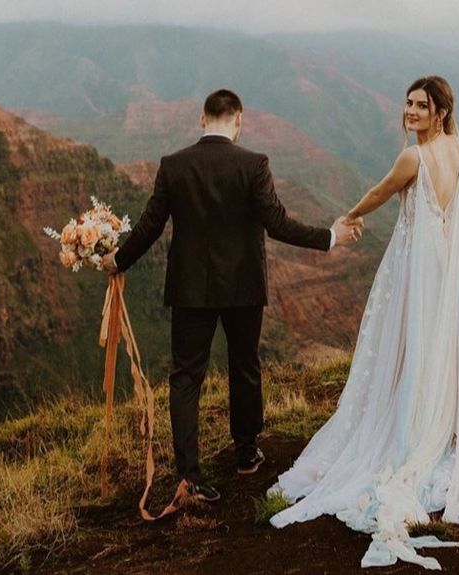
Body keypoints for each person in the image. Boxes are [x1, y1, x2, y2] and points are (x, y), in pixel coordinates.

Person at [267, 76, 459, 570]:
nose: (410, 111)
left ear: (440, 113)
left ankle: (411, 430)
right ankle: (436, 423)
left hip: (418, 265)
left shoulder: (414, 158)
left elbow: (378, 192)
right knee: (440, 345)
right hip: (449, 265)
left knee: (412, 345)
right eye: (408, 103)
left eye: (421, 105)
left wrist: (346, 219)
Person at [103, 88, 364, 503]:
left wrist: (117, 259)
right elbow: (278, 223)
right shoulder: (254, 164)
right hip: (243, 287)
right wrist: (330, 237)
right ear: (238, 121)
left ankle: (188, 475)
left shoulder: (173, 166)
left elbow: (150, 227)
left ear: (202, 120)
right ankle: (246, 451)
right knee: (245, 366)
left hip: (190, 289)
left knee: (186, 378)